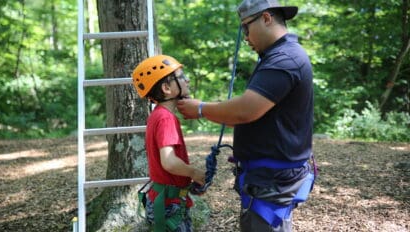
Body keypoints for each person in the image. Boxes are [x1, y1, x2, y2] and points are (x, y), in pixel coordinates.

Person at [177, 0, 314, 231]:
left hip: (272, 180)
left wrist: (200, 108)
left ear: (267, 19)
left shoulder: (284, 60)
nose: (245, 36)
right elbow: (245, 114)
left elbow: (245, 111)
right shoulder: (277, 56)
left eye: (246, 27)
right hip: (268, 178)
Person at [131, 55, 205, 232]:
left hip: (166, 199)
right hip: (169, 205)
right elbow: (169, 162)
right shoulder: (165, 118)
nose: (186, 79)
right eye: (180, 77)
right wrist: (194, 173)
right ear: (166, 88)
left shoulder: (157, 115)